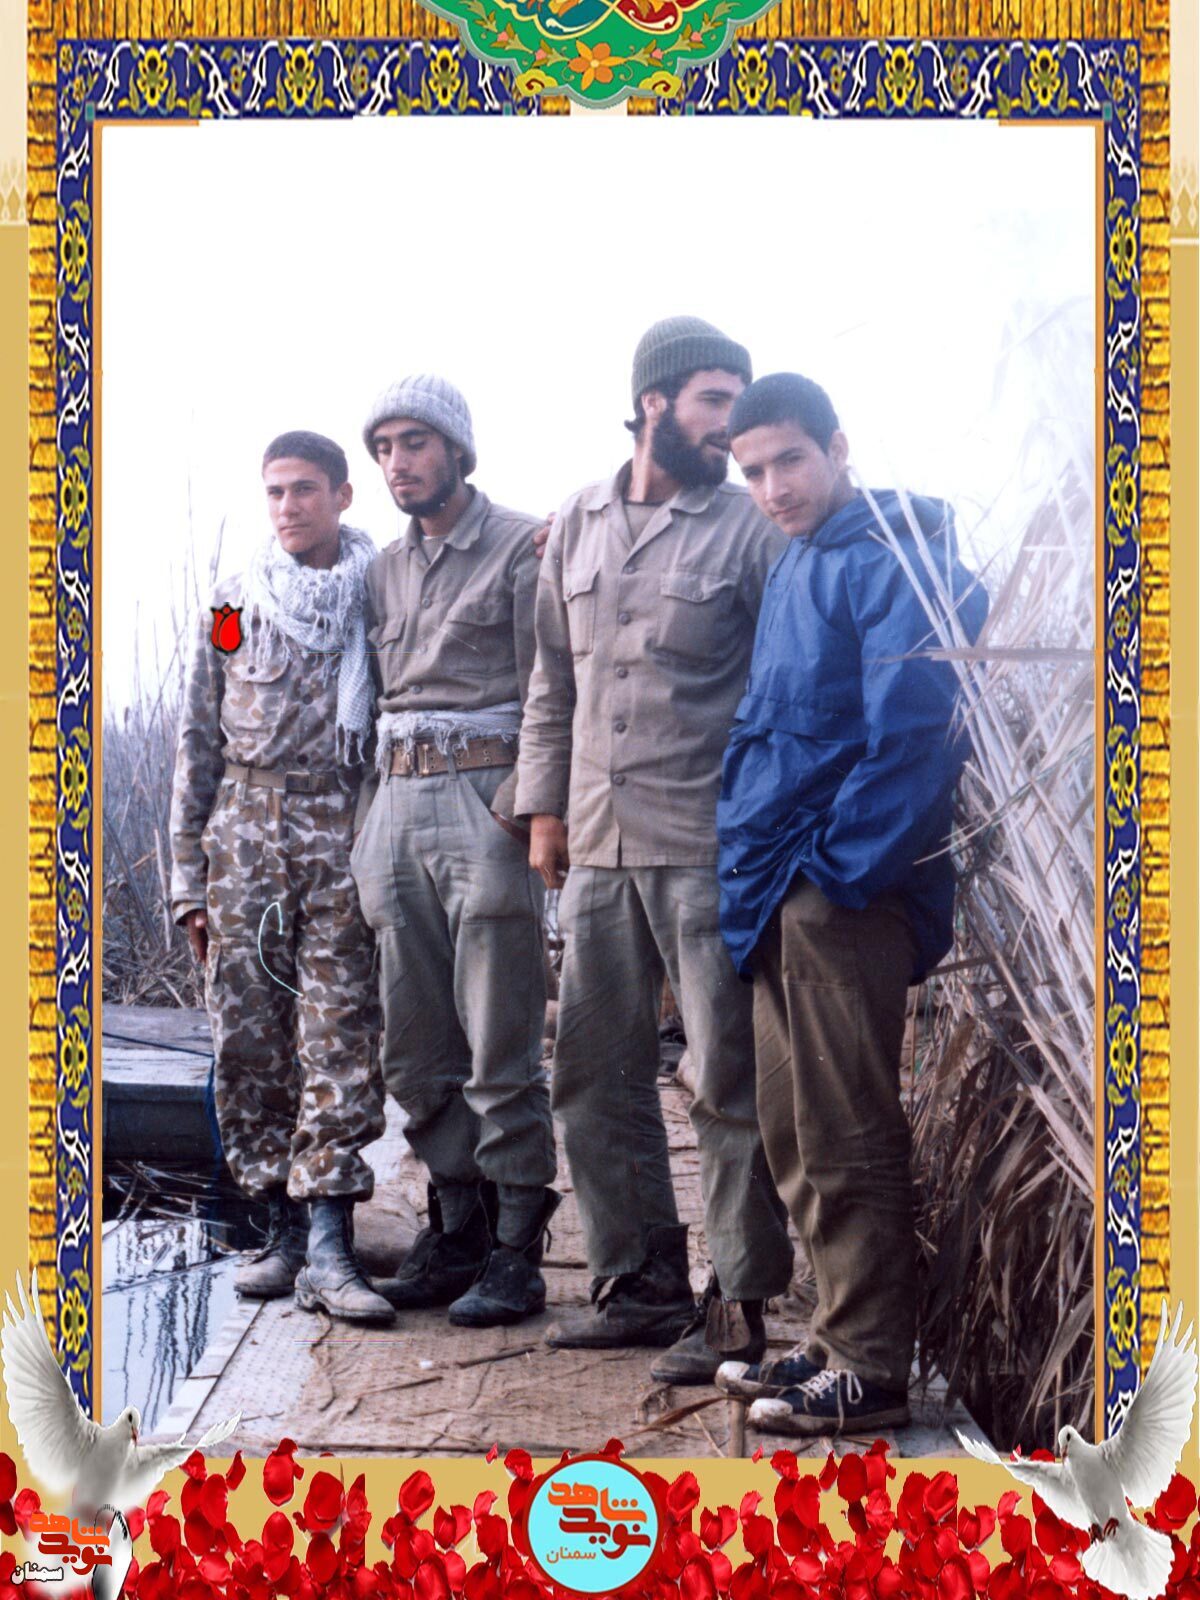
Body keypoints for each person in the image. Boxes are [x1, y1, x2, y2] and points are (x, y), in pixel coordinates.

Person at [514, 317, 794, 1384]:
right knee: (590, 1073)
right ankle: (636, 1285)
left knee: (723, 1078)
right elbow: (553, 677)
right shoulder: (578, 522)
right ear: (652, 404)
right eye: (715, 400)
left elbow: (786, 682)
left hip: (705, 845)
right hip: (596, 842)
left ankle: (738, 1306)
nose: (733, 424)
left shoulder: (749, 528)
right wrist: (545, 810)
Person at [712, 371, 988, 1435]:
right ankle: (832, 1337)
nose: (773, 487)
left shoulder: (896, 561)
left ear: (836, 446)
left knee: (849, 1125)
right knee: (793, 1124)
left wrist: (835, 877)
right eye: (752, 472)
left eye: (789, 460)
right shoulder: (799, 561)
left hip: (842, 891)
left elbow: (913, 739)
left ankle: (871, 1367)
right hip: (779, 885)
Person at [170, 429, 393, 1325]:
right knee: (249, 1037)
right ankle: (282, 1231)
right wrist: (187, 881)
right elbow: (198, 736)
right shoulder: (235, 605)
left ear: (342, 495)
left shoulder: (375, 601)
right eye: (275, 492)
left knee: (339, 1030)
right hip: (245, 843)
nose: (288, 507)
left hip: (340, 830)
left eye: (304, 489)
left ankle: (333, 1240)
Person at [351, 374, 559, 1330]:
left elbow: (550, 684)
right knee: (415, 1043)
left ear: (457, 450)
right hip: (397, 802)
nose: (398, 462)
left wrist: (527, 804)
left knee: (500, 1034)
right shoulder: (380, 570)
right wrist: (371, 825)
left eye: (415, 442)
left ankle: (517, 1250)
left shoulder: (521, 543)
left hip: (487, 802)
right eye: (384, 447)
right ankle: (456, 1230)